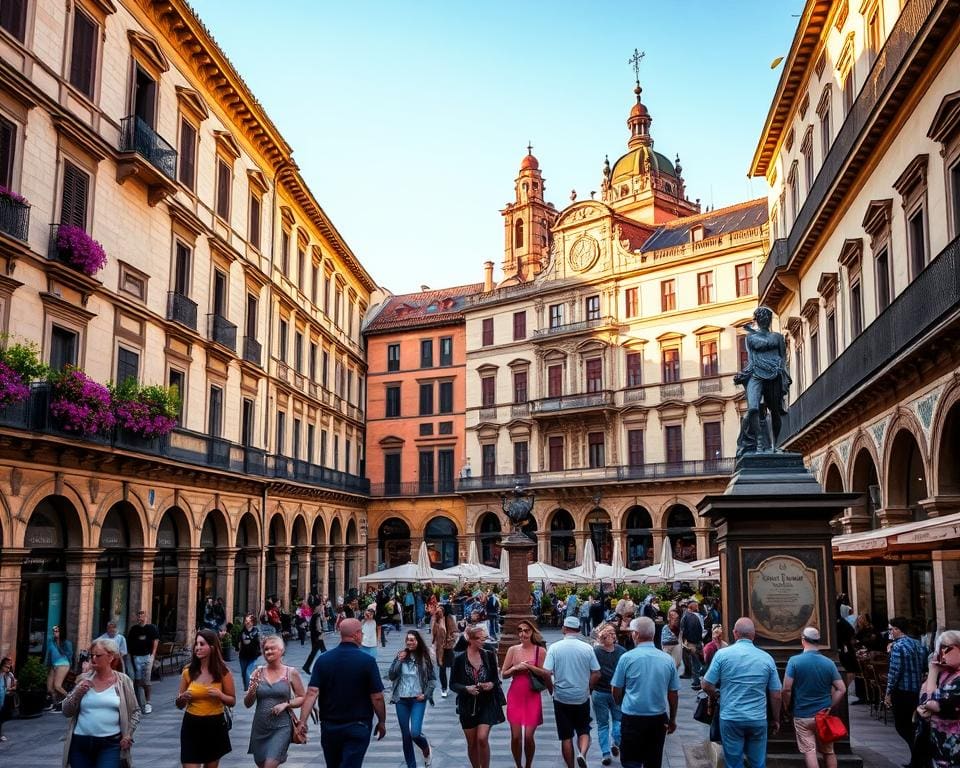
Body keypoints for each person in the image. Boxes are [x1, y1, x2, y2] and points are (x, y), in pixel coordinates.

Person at [298, 618, 386, 768]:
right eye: (362, 633)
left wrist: (303, 721)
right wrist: (382, 721)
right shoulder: (367, 661)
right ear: (357, 634)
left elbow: (312, 692)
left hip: (330, 726)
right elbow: (377, 697)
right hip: (358, 725)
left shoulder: (323, 660)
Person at [702, 617, 782, 768]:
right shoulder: (767, 659)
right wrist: (776, 718)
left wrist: (718, 694)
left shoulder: (722, 655)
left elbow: (706, 684)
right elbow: (776, 694)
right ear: (754, 635)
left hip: (731, 717)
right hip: (757, 718)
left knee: (733, 763)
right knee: (758, 763)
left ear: (735, 633)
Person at [611, 617, 680, 768]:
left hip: (632, 716)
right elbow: (673, 693)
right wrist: (673, 718)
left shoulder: (626, 658)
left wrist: (619, 702)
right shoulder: (667, 660)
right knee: (653, 761)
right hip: (657, 717)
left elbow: (616, 688)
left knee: (630, 760)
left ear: (635, 634)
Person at [61, 637, 140, 768]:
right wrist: (78, 693)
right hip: (81, 743)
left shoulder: (123, 681)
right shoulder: (83, 680)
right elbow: (66, 710)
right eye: (92, 655)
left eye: (98, 655)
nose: (93, 659)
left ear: (110, 657)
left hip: (110, 744)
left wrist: (128, 734)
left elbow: (135, 711)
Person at [782, 627, 846, 768]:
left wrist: (787, 706)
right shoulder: (828, 663)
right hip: (823, 715)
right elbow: (841, 688)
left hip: (802, 714)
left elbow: (786, 689)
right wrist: (830, 706)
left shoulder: (794, 661)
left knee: (810, 752)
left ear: (803, 640)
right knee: (829, 751)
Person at [544, 616, 601, 768]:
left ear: (564, 628)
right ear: (578, 630)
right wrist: (588, 687)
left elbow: (546, 672)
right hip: (581, 696)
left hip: (561, 696)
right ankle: (582, 753)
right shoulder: (587, 648)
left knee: (566, 736)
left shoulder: (555, 648)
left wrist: (551, 689)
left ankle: (570, 766)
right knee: (583, 729)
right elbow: (597, 673)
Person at [735, 305, 791, 455]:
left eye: (766, 317)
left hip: (774, 374)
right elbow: (751, 357)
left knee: (775, 411)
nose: (764, 320)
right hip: (756, 373)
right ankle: (760, 442)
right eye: (762, 318)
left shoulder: (778, 337)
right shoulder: (750, 337)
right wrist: (744, 374)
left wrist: (783, 373)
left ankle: (774, 445)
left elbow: (783, 356)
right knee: (753, 408)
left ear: (769, 320)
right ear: (758, 320)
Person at [176, 628, 236, 768]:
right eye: (196, 644)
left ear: (212, 647)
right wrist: (182, 698)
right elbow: (179, 704)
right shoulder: (188, 671)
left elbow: (232, 701)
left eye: (202, 644)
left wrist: (220, 695)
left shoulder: (223, 672)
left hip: (214, 724)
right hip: (191, 724)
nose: (197, 648)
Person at [244, 635, 305, 768]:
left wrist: (287, 704)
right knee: (261, 763)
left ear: (281, 650)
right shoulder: (257, 673)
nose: (268, 652)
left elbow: (302, 697)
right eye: (266, 649)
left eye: (272, 649)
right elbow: (247, 703)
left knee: (269, 765)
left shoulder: (290, 672)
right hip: (260, 727)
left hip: (281, 727)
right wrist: (252, 689)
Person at [450, 624, 505, 768]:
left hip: (487, 702)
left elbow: (495, 679)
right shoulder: (459, 659)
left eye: (485, 638)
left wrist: (491, 685)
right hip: (467, 705)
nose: (484, 642)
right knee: (472, 742)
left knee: (481, 738)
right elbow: (453, 684)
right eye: (481, 639)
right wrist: (466, 688)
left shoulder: (488, 654)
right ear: (471, 640)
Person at [502, 620, 551, 768]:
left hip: (532, 696)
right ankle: (519, 765)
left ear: (532, 632)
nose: (523, 633)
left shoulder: (540, 651)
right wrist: (515, 668)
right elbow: (504, 674)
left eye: (526, 630)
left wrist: (530, 667)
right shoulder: (513, 650)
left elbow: (546, 673)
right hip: (515, 694)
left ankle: (528, 764)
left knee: (528, 737)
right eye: (520, 630)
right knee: (516, 737)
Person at [884, 616, 929, 767]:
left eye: (891, 629)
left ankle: (918, 757)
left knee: (902, 725)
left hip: (902, 691)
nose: (890, 632)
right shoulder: (918, 644)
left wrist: (888, 693)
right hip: (916, 690)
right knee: (913, 724)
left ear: (897, 629)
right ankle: (918, 758)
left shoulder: (897, 646)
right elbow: (924, 667)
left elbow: (895, 671)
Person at [388, 631, 436, 768]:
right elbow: (391, 675)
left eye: (413, 640)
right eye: (408, 640)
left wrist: (425, 695)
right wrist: (399, 660)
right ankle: (411, 765)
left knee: (415, 732)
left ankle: (425, 748)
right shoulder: (400, 655)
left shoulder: (425, 658)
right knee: (406, 735)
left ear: (418, 641)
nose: (409, 642)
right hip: (401, 700)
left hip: (417, 699)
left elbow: (432, 680)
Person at [917, 629, 960, 768]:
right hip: (939, 743)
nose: (942, 653)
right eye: (940, 648)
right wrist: (933, 673)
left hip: (954, 745)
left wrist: (933, 672)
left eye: (947, 648)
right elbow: (923, 699)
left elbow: (935, 703)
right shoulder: (945, 674)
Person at [592, 623, 626, 766]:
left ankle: (606, 753)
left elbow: (592, 672)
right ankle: (616, 741)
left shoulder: (595, 651)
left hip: (599, 692)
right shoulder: (622, 651)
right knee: (618, 720)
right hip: (616, 691)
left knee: (602, 724)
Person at [127, 609, 159, 714]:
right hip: (136, 657)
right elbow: (130, 643)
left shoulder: (151, 628)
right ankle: (140, 703)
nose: (140, 617)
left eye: (142, 615)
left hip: (147, 656)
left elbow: (155, 640)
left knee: (147, 680)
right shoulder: (134, 629)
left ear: (146, 617)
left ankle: (148, 703)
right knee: (138, 681)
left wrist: (153, 655)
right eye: (139, 615)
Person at [44, 625, 74, 711]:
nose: (55, 633)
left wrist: (70, 667)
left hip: (63, 664)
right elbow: (48, 654)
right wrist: (47, 665)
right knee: (49, 687)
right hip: (53, 665)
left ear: (61, 632)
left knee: (57, 686)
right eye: (54, 631)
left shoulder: (66, 642)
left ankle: (72, 699)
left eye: (57, 631)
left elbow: (69, 655)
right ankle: (55, 704)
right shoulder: (51, 641)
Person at [432, 603, 458, 698]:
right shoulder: (437, 619)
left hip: (448, 647)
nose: (439, 610)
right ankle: (444, 688)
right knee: (442, 669)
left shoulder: (449, 618)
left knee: (453, 666)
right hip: (439, 648)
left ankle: (453, 684)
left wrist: (450, 642)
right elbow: (433, 633)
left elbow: (455, 632)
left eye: (441, 609)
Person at [679, 601, 705, 689]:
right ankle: (698, 680)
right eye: (696, 606)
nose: (698, 607)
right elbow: (702, 628)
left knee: (695, 661)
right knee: (698, 661)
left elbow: (682, 629)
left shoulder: (687, 616)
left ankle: (697, 681)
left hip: (692, 642)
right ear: (692, 607)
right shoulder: (696, 616)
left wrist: (684, 640)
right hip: (696, 641)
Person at [237, 614, 262, 692]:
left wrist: (261, 650)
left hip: (253, 655)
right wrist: (238, 650)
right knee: (244, 672)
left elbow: (260, 642)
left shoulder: (256, 631)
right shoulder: (242, 631)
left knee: (248, 671)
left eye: (249, 621)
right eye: (246, 621)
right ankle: (246, 687)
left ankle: (249, 689)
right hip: (243, 655)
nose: (247, 622)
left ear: (253, 622)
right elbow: (239, 642)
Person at [302, 604, 327, 676]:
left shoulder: (315, 615)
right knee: (320, 652)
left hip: (315, 636)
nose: (323, 609)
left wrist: (323, 613)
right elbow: (318, 626)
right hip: (317, 637)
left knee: (319, 652)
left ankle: (306, 667)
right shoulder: (317, 616)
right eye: (322, 608)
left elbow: (322, 621)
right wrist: (320, 633)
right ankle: (307, 667)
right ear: (318, 608)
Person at [0, 656, 15, 742]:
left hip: (2, 699)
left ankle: (1, 735)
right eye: (6, 667)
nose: (8, 669)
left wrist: (10, 689)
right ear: (2, 666)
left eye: (9, 667)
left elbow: (8, 687)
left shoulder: (7, 676)